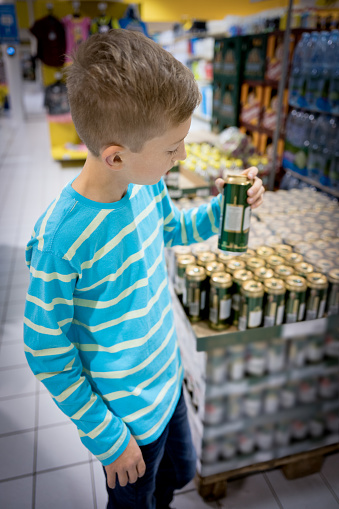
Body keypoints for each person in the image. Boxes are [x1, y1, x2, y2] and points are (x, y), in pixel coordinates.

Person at [23, 30, 264, 509]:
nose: (183, 156)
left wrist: (223, 211)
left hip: (167, 383)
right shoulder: (62, 239)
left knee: (173, 481)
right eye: (173, 148)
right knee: (136, 501)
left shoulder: (143, 186)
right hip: (125, 417)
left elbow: (170, 231)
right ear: (117, 155)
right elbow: (45, 349)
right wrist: (107, 437)